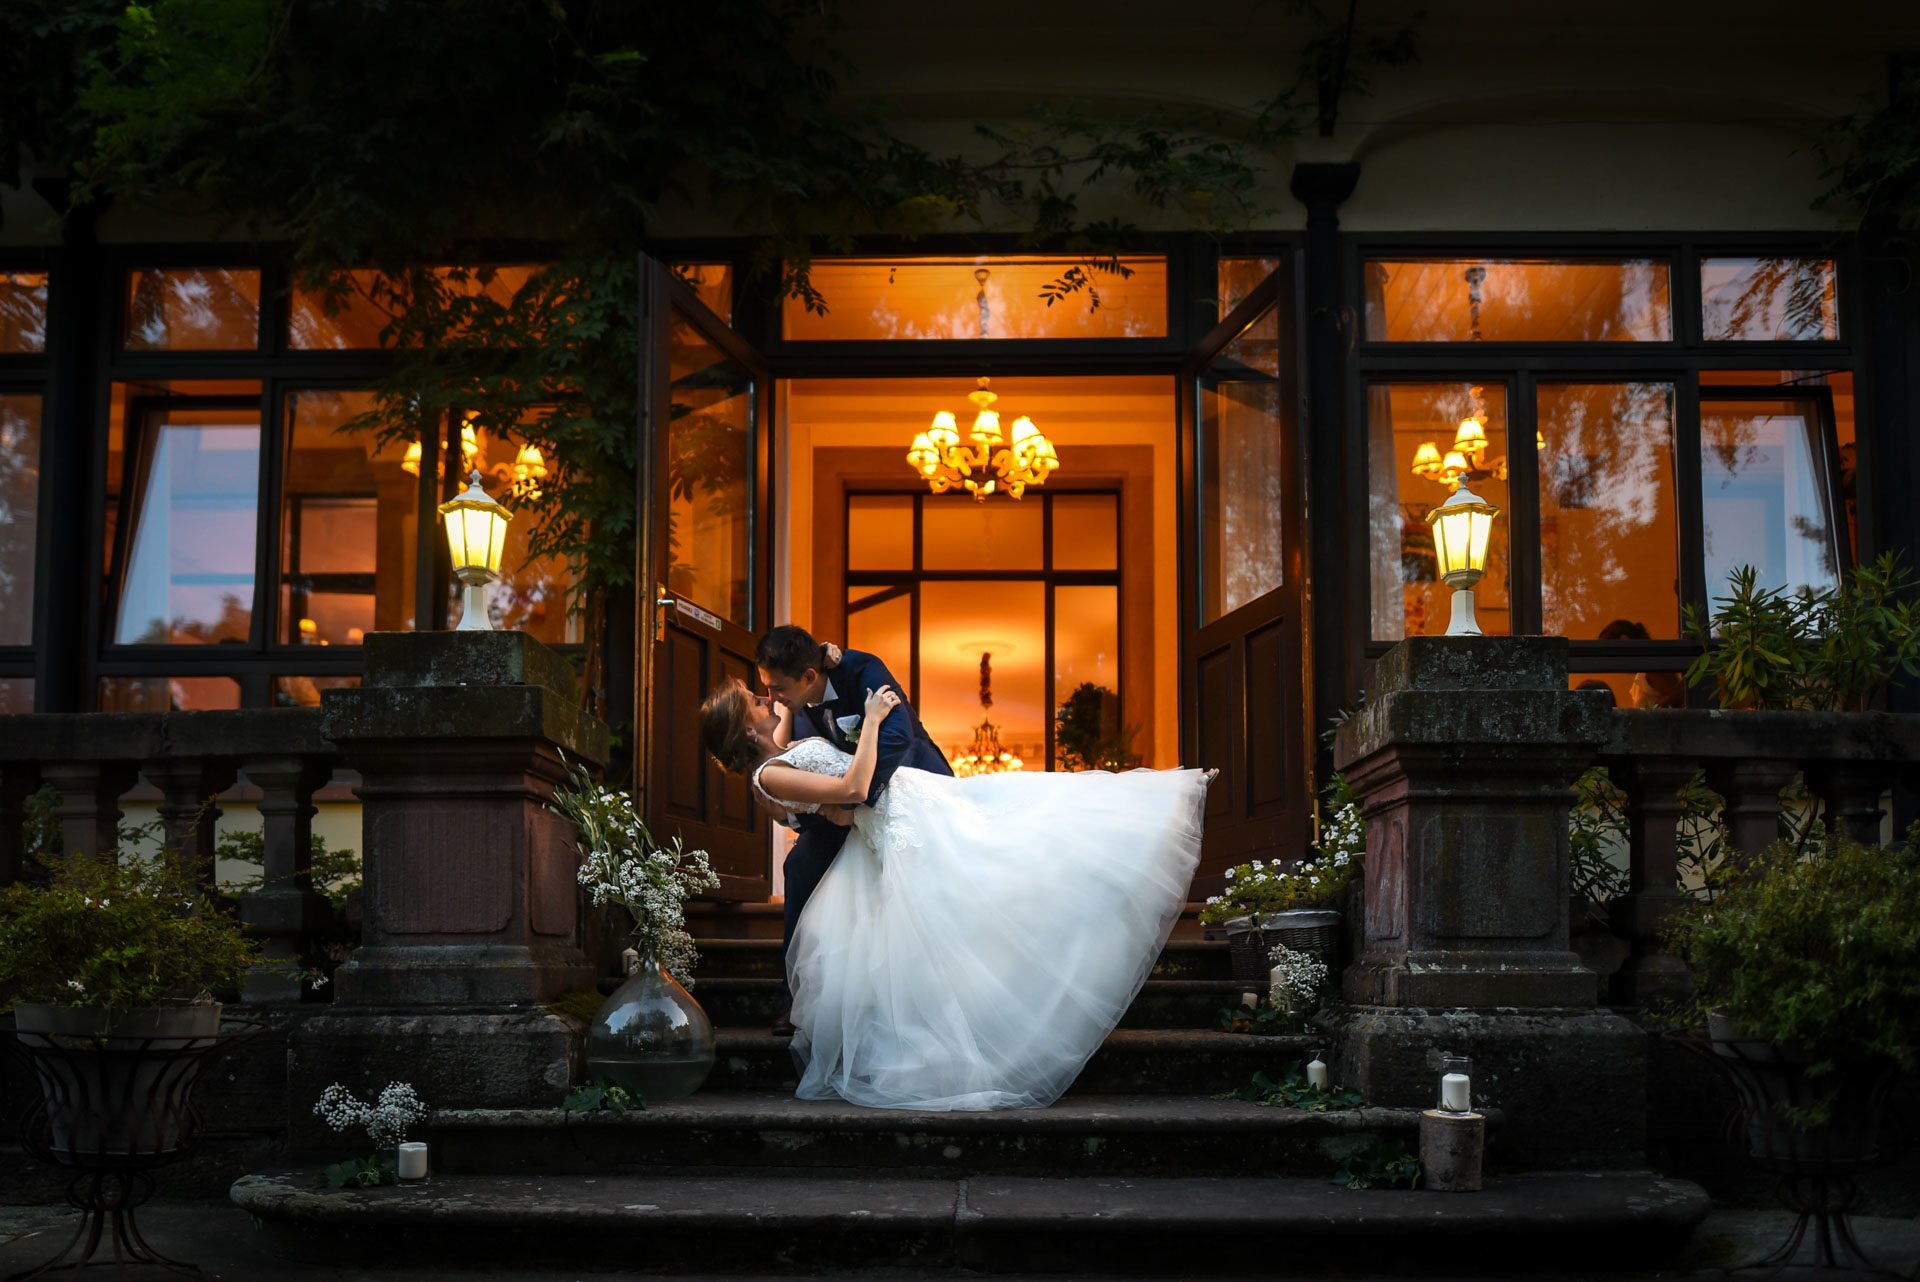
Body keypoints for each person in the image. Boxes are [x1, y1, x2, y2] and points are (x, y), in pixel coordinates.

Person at [699, 674, 1210, 1112]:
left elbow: (820, 793)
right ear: (747, 727)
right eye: (755, 699)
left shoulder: (781, 752)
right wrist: (873, 721)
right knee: (997, 867)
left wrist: (804, 689)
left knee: (1020, 830)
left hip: (919, 803)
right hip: (901, 823)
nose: (766, 697)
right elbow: (853, 790)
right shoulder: (770, 775)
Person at [752, 626, 952, 1037]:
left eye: (778, 688)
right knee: (799, 867)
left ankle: (933, 986)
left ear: (809, 676)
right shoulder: (794, 702)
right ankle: (799, 998)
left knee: (919, 878)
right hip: (848, 800)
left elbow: (898, 737)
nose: (773, 699)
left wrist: (850, 804)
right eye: (766, 690)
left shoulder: (862, 670)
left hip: (905, 785)